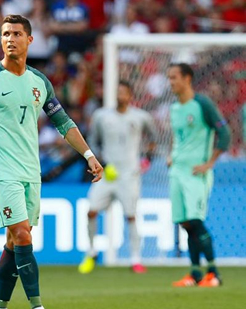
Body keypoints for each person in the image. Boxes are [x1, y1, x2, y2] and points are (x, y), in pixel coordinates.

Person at [0, 15, 103, 309]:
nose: (10, 38)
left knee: (15, 243)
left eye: (16, 33)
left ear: (30, 40)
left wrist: (88, 155)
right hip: (2, 173)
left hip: (32, 172)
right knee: (23, 235)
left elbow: (64, 124)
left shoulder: (39, 82)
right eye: (5, 34)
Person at [79, 81, 157, 274]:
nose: (120, 95)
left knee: (131, 216)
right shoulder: (101, 116)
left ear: (130, 95)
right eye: (118, 92)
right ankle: (91, 252)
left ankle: (136, 259)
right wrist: (103, 163)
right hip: (107, 175)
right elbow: (92, 141)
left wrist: (148, 159)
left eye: (124, 92)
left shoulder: (141, 117)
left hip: (129, 175)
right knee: (91, 211)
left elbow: (153, 138)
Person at [167, 63, 231, 288]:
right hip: (177, 171)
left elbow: (224, 133)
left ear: (187, 78)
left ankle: (214, 273)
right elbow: (180, 139)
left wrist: (210, 163)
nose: (171, 82)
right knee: (185, 222)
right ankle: (194, 274)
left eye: (174, 77)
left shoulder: (202, 104)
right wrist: (172, 156)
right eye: (169, 78)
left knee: (195, 220)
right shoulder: (175, 108)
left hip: (196, 173)